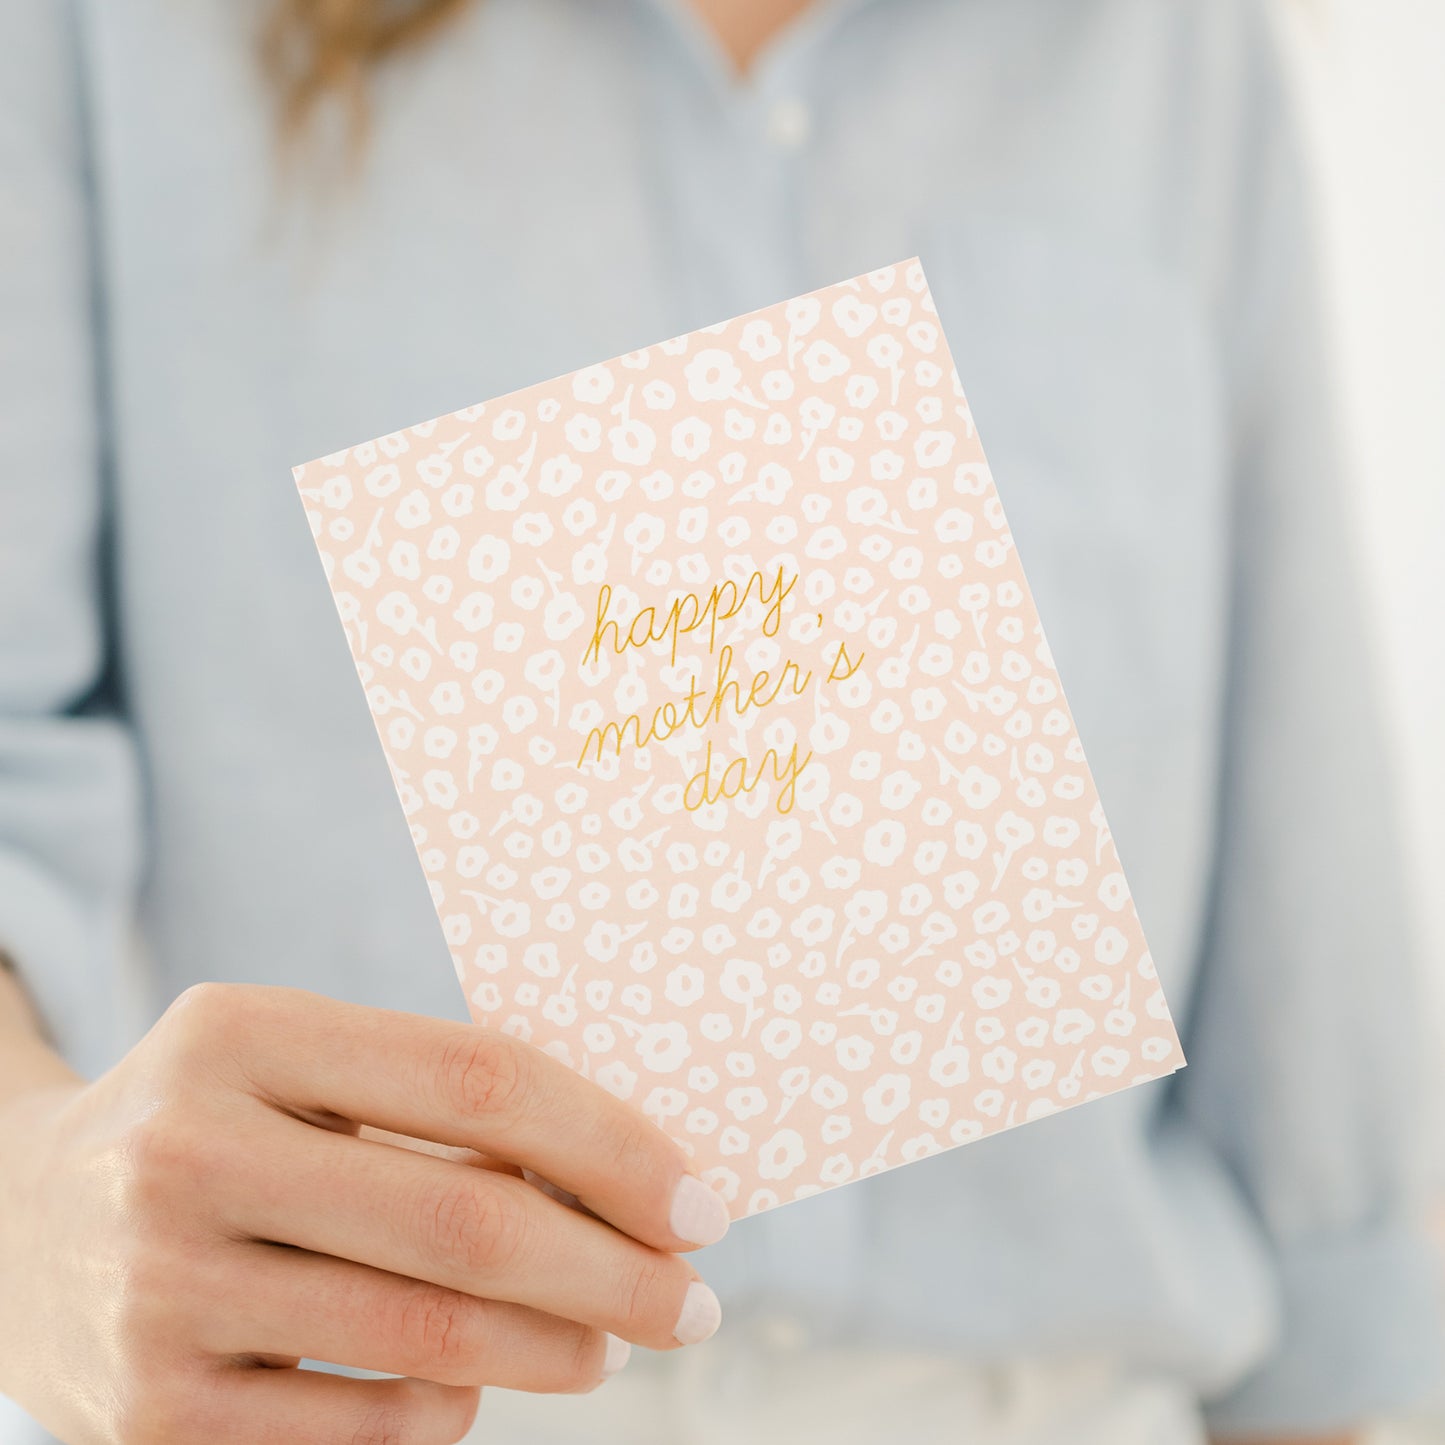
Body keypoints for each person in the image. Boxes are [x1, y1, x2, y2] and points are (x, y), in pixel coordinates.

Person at [0, 0, 1438, 1442]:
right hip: (394, 1411)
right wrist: (29, 1209)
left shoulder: (1171, 59)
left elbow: (1300, 981)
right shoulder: (107, 38)